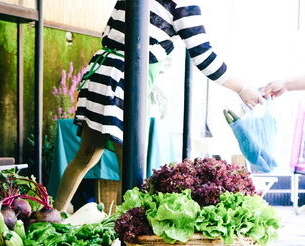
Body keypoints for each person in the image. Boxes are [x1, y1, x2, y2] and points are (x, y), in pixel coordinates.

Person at [54, 0, 265, 213]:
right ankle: (128, 233)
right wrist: (242, 88)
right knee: (130, 165)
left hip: (103, 71)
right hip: (125, 78)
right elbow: (204, 57)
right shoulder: (183, 4)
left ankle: (53, 213)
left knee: (87, 154)